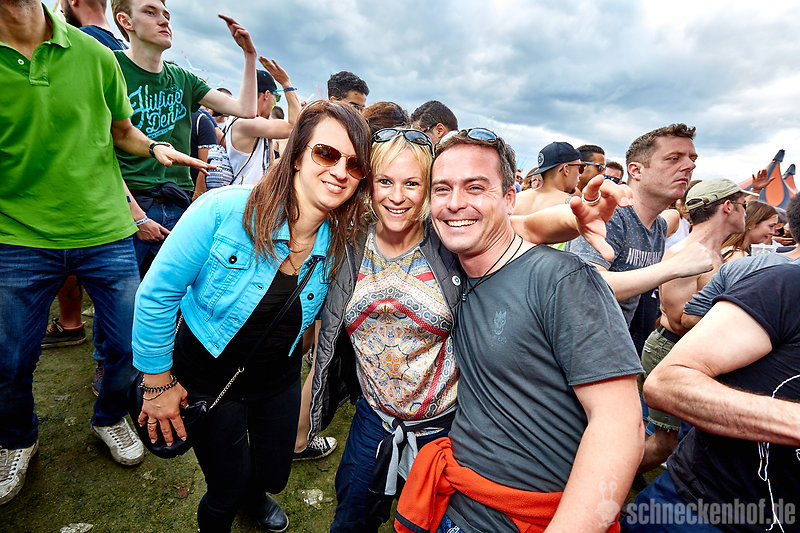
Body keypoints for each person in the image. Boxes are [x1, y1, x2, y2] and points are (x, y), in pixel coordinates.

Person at [0, 0, 208, 505]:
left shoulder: (94, 54)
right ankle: (16, 439)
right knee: (10, 360)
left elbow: (121, 131)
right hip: (18, 238)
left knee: (127, 346)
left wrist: (152, 147)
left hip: (105, 231)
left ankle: (110, 416)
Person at [132, 101, 371, 533]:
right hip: (208, 376)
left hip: (278, 379)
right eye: (326, 153)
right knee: (226, 488)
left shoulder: (341, 244)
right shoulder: (224, 211)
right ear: (296, 155)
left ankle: (255, 497)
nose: (340, 171)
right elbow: (156, 295)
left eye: (354, 165)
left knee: (273, 475)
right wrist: (157, 383)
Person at [395, 128, 644, 533]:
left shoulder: (560, 279)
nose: (455, 203)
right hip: (456, 499)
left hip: (535, 517)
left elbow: (620, 423)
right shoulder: (446, 266)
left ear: (510, 197)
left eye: (475, 187)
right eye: (442, 189)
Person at [626, 262, 800, 532]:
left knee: (663, 443)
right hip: (701, 510)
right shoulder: (780, 282)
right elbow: (683, 319)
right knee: (661, 442)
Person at [110, 0, 259, 271]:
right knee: (124, 295)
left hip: (177, 202)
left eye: (166, 14)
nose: (164, 20)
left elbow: (245, 109)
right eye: (150, 12)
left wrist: (249, 55)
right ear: (125, 21)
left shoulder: (182, 78)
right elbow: (99, 149)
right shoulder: (112, 67)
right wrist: (136, 216)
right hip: (128, 203)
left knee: (174, 291)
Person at [636, 179, 755, 475]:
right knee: (664, 443)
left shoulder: (713, 253)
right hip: (669, 350)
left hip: (686, 353)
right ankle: (604, 488)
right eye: (743, 205)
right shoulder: (689, 253)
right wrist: (738, 320)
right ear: (726, 207)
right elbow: (680, 321)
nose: (746, 212)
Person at [222, 65, 299, 186]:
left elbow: (268, 167)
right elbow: (294, 126)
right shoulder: (247, 122)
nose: (274, 104)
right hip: (245, 195)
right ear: (267, 95)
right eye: (276, 98)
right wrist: (286, 84)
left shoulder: (244, 121)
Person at [514, 141, 583, 215]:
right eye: (580, 168)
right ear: (566, 169)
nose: (580, 174)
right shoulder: (571, 207)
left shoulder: (516, 199)